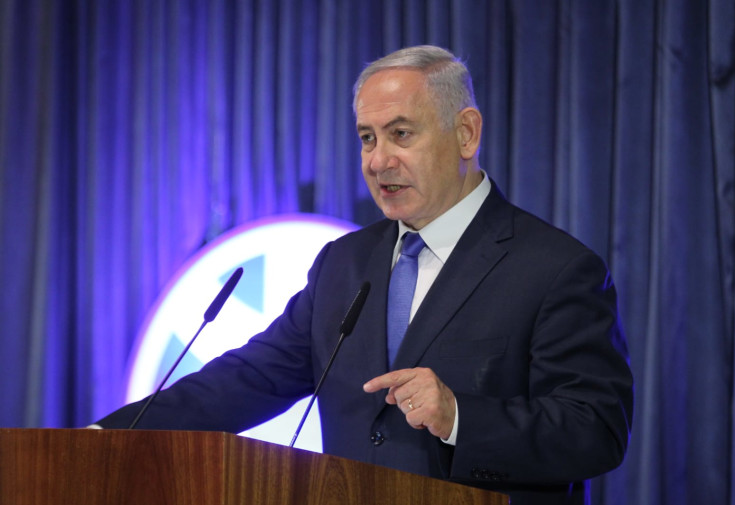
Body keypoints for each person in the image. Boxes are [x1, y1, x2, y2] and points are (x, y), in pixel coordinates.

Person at [95, 45, 634, 505]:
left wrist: (458, 417)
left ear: (466, 134)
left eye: (401, 134)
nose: (378, 161)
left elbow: (596, 430)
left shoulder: (555, 269)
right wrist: (105, 439)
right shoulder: (344, 263)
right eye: (367, 138)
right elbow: (248, 380)